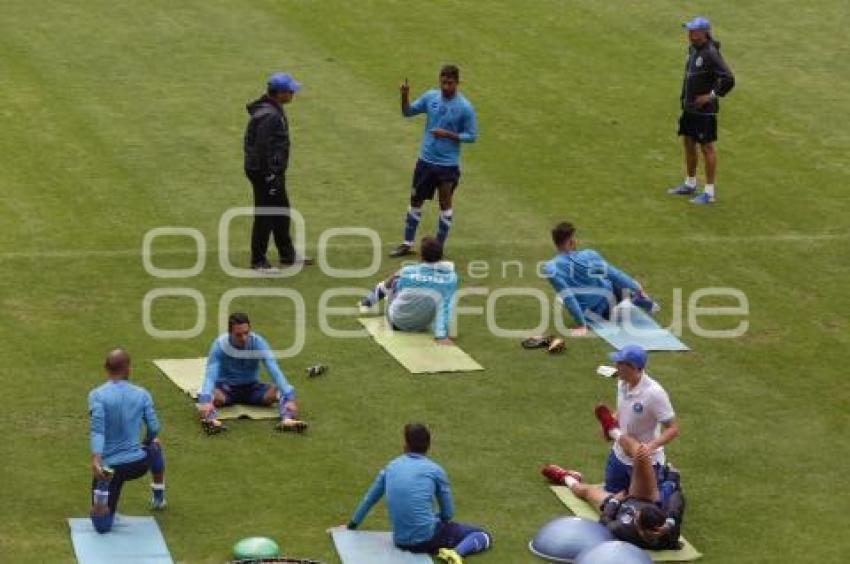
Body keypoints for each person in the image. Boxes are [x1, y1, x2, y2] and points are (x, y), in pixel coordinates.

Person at [346, 423, 491, 564]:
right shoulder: (435, 471)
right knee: (482, 534)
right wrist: (436, 519)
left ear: (406, 445)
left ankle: (446, 548)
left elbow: (370, 498)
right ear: (428, 445)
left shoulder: (390, 467)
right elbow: (448, 514)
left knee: (434, 522)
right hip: (426, 540)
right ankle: (456, 553)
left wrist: (351, 525)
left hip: (400, 541)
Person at [546, 345, 679, 493]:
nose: (615, 366)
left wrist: (650, 447)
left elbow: (673, 429)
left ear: (633, 368)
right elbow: (623, 408)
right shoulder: (622, 382)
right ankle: (572, 477)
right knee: (610, 502)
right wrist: (611, 420)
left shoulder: (655, 394)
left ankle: (668, 480)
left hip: (647, 461)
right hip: (619, 456)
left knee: (644, 508)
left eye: (620, 363)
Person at [389, 65, 478, 258]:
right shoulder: (431, 97)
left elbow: (471, 136)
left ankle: (438, 247)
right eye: (443, 82)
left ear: (457, 82)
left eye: (450, 83)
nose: (446, 86)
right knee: (415, 200)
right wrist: (405, 95)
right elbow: (407, 112)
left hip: (447, 166)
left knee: (445, 203)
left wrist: (448, 134)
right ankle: (407, 243)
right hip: (425, 162)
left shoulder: (465, 107)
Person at [541, 433, 685, 550]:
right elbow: (676, 500)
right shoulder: (669, 534)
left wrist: (615, 501)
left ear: (640, 529)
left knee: (583, 490)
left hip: (618, 502)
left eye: (636, 516)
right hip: (646, 497)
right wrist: (671, 521)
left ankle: (567, 477)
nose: (636, 513)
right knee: (642, 454)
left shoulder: (623, 530)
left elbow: (604, 522)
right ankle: (614, 430)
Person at [88, 348, 166, 533]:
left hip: (109, 470)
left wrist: (96, 459)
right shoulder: (142, 394)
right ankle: (158, 498)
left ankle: (101, 502)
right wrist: (147, 442)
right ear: (128, 369)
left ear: (106, 368)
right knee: (156, 446)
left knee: (102, 527)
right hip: (137, 464)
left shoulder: (96, 395)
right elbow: (154, 427)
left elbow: (98, 430)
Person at [243, 72, 313, 269]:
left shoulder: (272, 110)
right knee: (265, 214)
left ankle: (287, 254)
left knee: (281, 211)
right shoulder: (270, 115)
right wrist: (269, 175)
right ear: (279, 93)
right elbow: (260, 148)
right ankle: (258, 260)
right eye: (290, 90)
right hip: (265, 172)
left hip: (270, 171)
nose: (293, 93)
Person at [197, 312, 307, 433]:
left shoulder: (258, 343)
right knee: (206, 393)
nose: (244, 338)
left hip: (252, 389)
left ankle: (287, 420)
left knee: (283, 389)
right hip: (225, 390)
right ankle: (210, 421)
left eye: (246, 333)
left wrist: (289, 397)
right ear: (230, 333)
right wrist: (206, 400)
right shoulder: (220, 346)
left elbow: (273, 369)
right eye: (238, 335)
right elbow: (210, 375)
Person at [543, 222, 659, 337]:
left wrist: (581, 324)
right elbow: (615, 275)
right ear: (571, 241)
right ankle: (636, 297)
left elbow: (568, 298)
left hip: (595, 312)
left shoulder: (550, 268)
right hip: (608, 296)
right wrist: (637, 288)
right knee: (622, 284)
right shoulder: (589, 255)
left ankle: (635, 297)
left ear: (555, 243)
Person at [668, 16, 735, 205]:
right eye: (689, 31)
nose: (690, 34)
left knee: (706, 147)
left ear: (704, 32)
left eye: (694, 31)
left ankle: (709, 191)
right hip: (689, 108)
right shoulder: (693, 50)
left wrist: (711, 95)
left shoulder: (711, 53)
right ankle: (690, 183)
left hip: (705, 111)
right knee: (688, 143)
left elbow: (729, 79)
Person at [361, 237, 458, 344]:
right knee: (446, 296)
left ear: (422, 257)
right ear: (441, 256)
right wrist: (441, 336)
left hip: (396, 323)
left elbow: (397, 289)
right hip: (423, 325)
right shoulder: (451, 278)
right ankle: (368, 301)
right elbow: (446, 306)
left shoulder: (408, 271)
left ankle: (367, 301)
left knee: (392, 282)